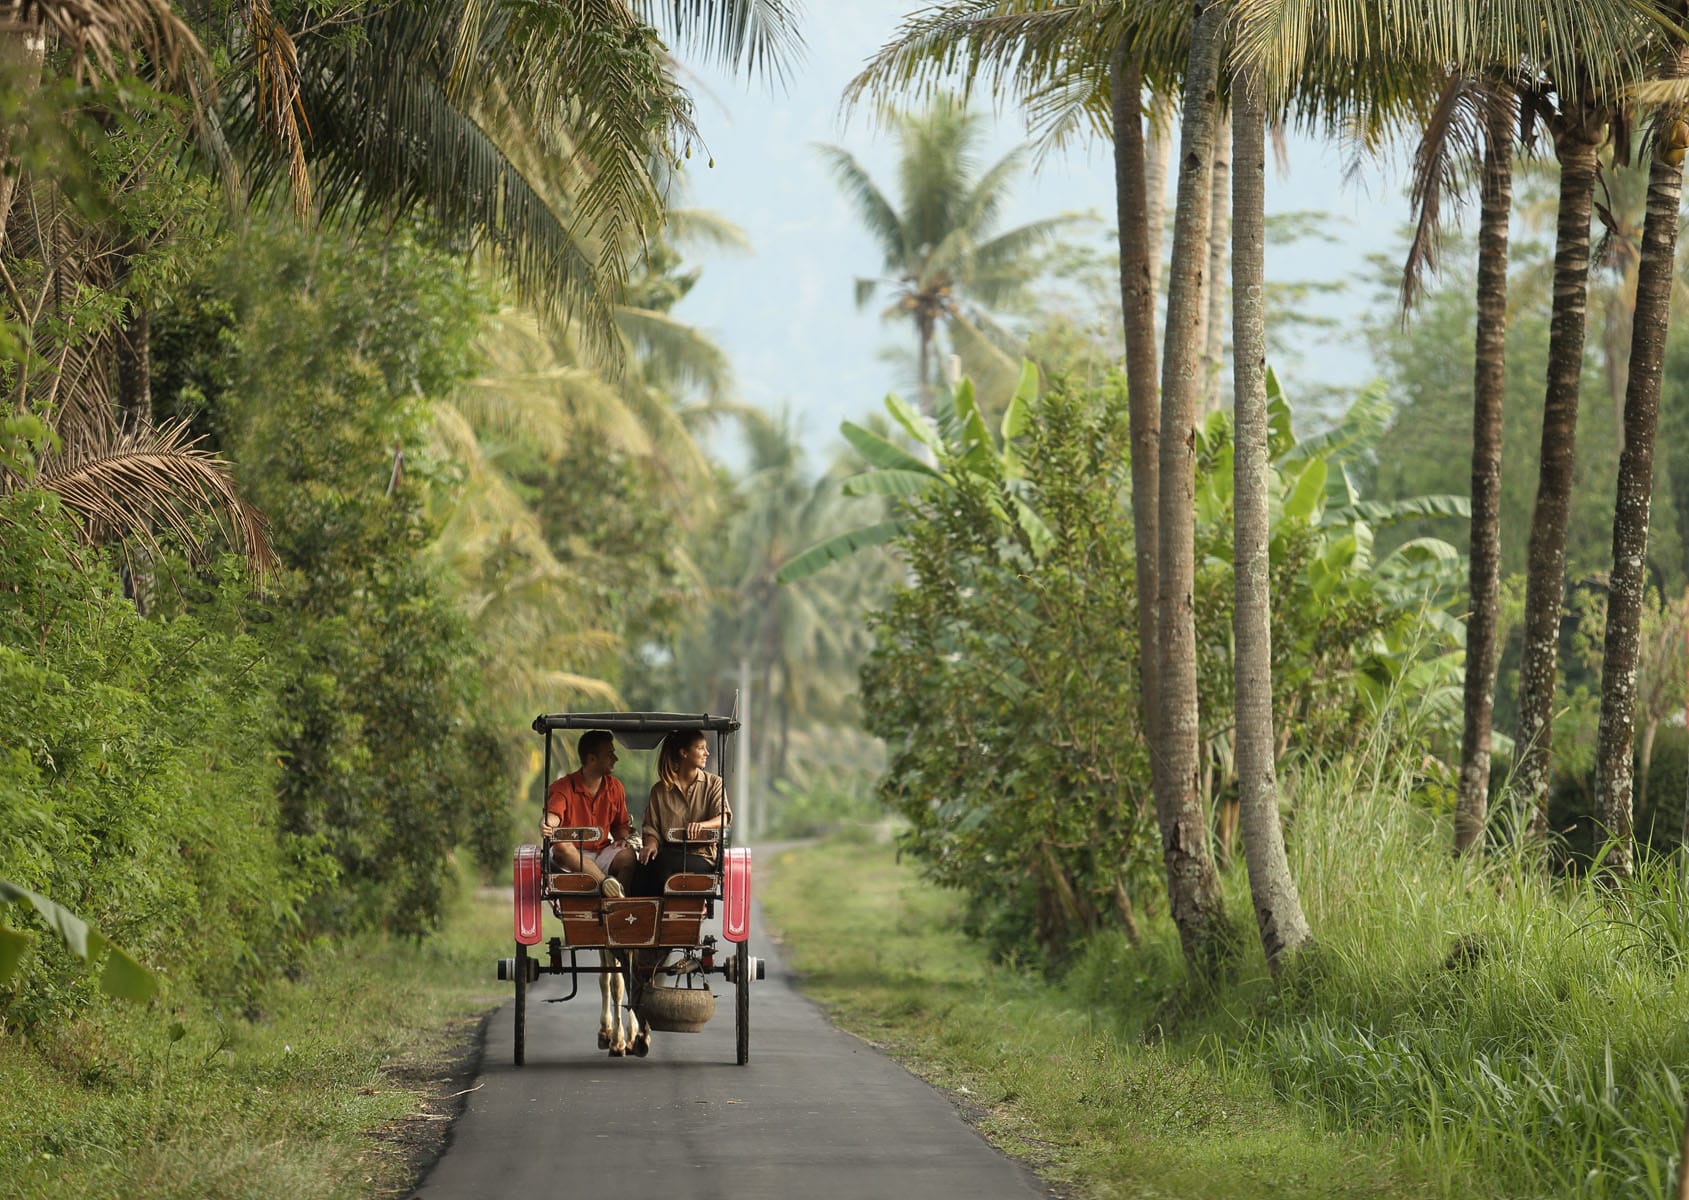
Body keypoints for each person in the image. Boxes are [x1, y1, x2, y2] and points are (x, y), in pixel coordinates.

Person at [635, 728, 731, 894]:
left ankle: (664, 913)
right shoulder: (659, 790)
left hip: (702, 857)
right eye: (701, 748)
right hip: (667, 854)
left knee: (663, 863)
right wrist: (650, 845)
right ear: (684, 752)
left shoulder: (714, 783)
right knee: (643, 864)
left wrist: (702, 826)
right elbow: (652, 828)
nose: (706, 753)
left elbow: (723, 818)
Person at [542, 729, 636, 896]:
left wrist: (621, 838)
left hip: (602, 852)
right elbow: (553, 817)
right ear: (592, 759)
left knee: (628, 857)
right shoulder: (564, 786)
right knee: (561, 846)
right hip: (572, 856)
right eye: (610, 755)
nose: (615, 759)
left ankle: (619, 903)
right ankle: (609, 888)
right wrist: (546, 823)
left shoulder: (616, 787)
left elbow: (621, 825)